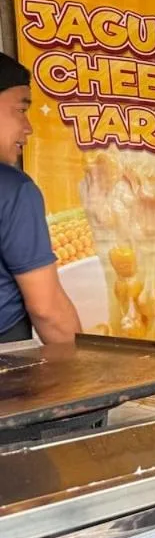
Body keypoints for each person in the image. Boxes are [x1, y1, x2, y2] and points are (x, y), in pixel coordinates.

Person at [0, 54, 80, 344]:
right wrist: (85, 374)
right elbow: (48, 310)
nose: (29, 127)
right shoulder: (13, 190)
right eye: (21, 110)